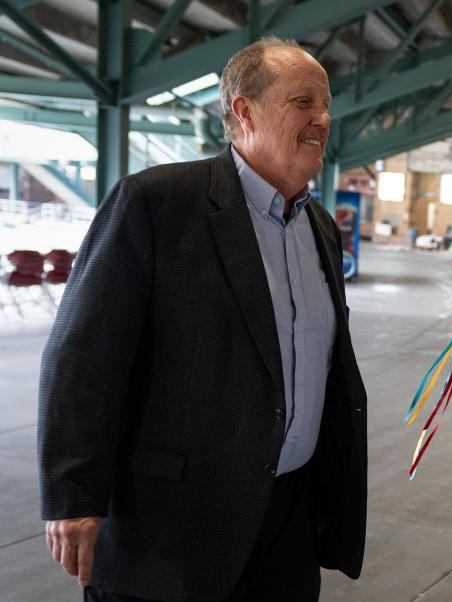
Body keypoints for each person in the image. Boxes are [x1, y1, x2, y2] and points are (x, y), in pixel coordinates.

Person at [37, 37, 366, 602]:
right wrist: (74, 495)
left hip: (287, 518)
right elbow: (83, 356)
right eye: (304, 103)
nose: (323, 120)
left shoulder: (320, 228)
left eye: (326, 104)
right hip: (171, 524)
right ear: (244, 111)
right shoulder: (158, 204)